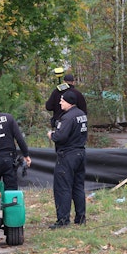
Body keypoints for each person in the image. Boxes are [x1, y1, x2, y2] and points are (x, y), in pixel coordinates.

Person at [47, 90, 88, 229]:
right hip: (80, 153)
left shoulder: (68, 118)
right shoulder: (81, 114)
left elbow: (60, 137)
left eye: (62, 101)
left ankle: (63, 220)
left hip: (67, 155)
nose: (60, 102)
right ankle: (80, 217)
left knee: (63, 187)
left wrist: (51, 135)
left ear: (69, 102)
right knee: (78, 186)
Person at [0, 95, 32, 195]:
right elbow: (19, 138)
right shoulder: (8, 118)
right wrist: (26, 155)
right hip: (9, 159)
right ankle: (11, 209)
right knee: (11, 191)